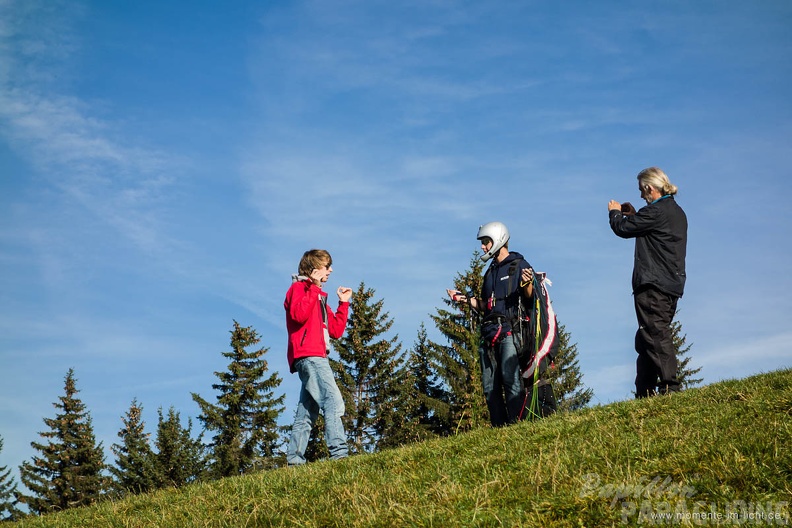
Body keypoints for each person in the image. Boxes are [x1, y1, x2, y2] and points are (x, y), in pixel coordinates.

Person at [608, 167, 688, 398]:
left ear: (649, 188)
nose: (642, 197)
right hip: (671, 284)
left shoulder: (655, 212)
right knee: (646, 337)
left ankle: (670, 386)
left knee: (655, 334)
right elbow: (651, 230)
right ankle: (644, 391)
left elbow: (622, 229)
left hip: (652, 284)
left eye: (642, 192)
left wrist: (615, 213)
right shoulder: (676, 212)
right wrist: (635, 216)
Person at [447, 221, 535, 427]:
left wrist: (528, 284)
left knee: (511, 380)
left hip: (509, 332)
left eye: (486, 242)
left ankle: (519, 426)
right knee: (489, 387)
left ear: (498, 240)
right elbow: (486, 305)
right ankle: (500, 429)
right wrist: (464, 299)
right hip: (488, 333)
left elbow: (530, 299)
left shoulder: (519, 266)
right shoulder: (490, 272)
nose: (483, 247)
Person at [284, 249, 353, 465]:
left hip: (315, 355)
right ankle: (339, 453)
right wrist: (312, 289)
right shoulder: (298, 289)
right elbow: (298, 315)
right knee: (333, 400)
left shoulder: (319, 296)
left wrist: (343, 303)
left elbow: (335, 330)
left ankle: (294, 461)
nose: (330, 270)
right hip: (309, 355)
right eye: (327, 266)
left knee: (307, 412)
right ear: (314, 268)